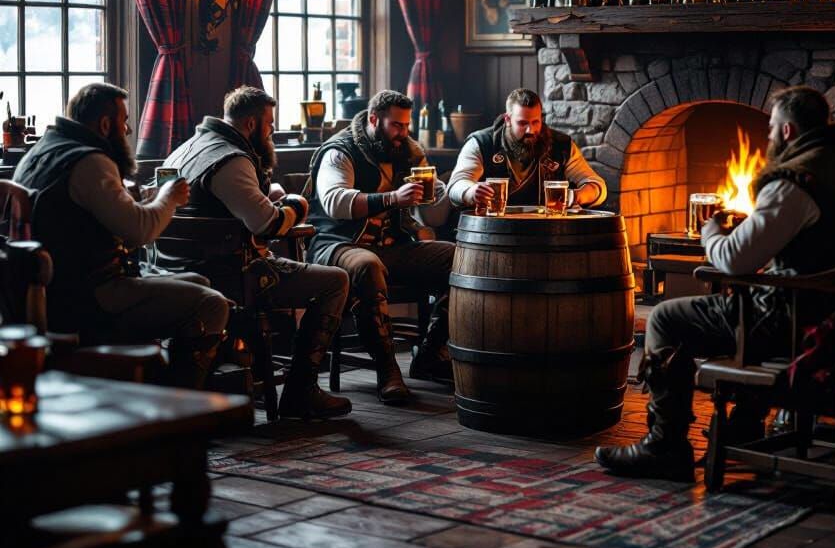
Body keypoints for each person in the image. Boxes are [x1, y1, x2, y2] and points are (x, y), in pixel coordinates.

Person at [595, 85, 835, 482]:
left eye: (771, 129)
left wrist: (711, 234)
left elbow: (736, 259)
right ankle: (745, 427)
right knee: (746, 298)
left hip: (798, 324)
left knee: (666, 318)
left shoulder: (796, 181)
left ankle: (664, 447)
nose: (768, 138)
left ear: (787, 131)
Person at [13, 83, 231, 389]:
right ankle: (181, 406)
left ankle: (155, 384)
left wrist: (142, 202)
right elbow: (140, 232)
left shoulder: (43, 151)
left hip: (51, 290)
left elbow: (95, 224)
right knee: (212, 305)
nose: (128, 129)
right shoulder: (90, 162)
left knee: (198, 283)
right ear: (105, 124)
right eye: (124, 121)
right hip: (86, 297)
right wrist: (167, 197)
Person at [162, 86, 351, 419]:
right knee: (335, 280)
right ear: (250, 124)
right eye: (269, 125)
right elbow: (266, 224)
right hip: (233, 277)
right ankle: (301, 390)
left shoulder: (186, 149)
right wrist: (296, 205)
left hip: (178, 271)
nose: (272, 131)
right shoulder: (230, 160)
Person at [306, 89, 455, 402]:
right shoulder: (340, 150)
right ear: (374, 119)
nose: (403, 133)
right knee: (367, 266)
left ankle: (429, 353)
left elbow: (432, 215)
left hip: (394, 245)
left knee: (461, 260)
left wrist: (440, 192)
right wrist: (391, 198)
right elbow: (334, 202)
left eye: (406, 125)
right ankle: (388, 370)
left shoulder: (409, 152)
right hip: (340, 243)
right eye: (396, 126)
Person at [447, 88, 607, 214]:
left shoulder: (561, 145)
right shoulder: (482, 143)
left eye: (536, 121)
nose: (531, 129)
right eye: (523, 123)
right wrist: (471, 191)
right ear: (507, 119)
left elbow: (598, 186)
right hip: (494, 233)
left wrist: (577, 196)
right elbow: (455, 186)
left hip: (547, 235)